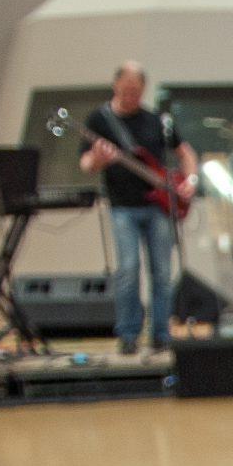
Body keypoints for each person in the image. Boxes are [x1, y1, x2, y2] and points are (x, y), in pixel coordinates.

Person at [76, 62, 195, 355]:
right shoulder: (99, 120)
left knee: (162, 273)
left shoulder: (156, 120)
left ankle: (161, 333)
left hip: (159, 207)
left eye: (136, 90)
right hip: (122, 208)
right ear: (116, 85)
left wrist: (190, 180)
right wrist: (101, 159)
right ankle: (128, 333)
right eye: (126, 89)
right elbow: (86, 165)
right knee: (128, 270)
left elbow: (185, 152)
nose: (131, 95)